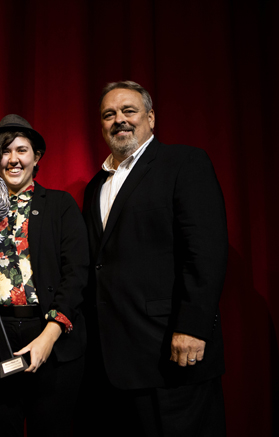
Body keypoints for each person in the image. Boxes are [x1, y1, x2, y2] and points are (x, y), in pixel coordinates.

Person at [81, 81, 228, 436]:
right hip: (112, 363)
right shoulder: (94, 187)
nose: (119, 120)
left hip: (171, 353)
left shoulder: (184, 162)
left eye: (128, 111)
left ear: (150, 117)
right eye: (109, 114)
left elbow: (206, 251)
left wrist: (192, 327)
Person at [0, 114, 88, 437]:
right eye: (5, 152)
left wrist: (49, 335)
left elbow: (77, 274)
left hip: (49, 337)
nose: (13, 159)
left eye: (22, 150)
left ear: (36, 157)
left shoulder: (60, 205)